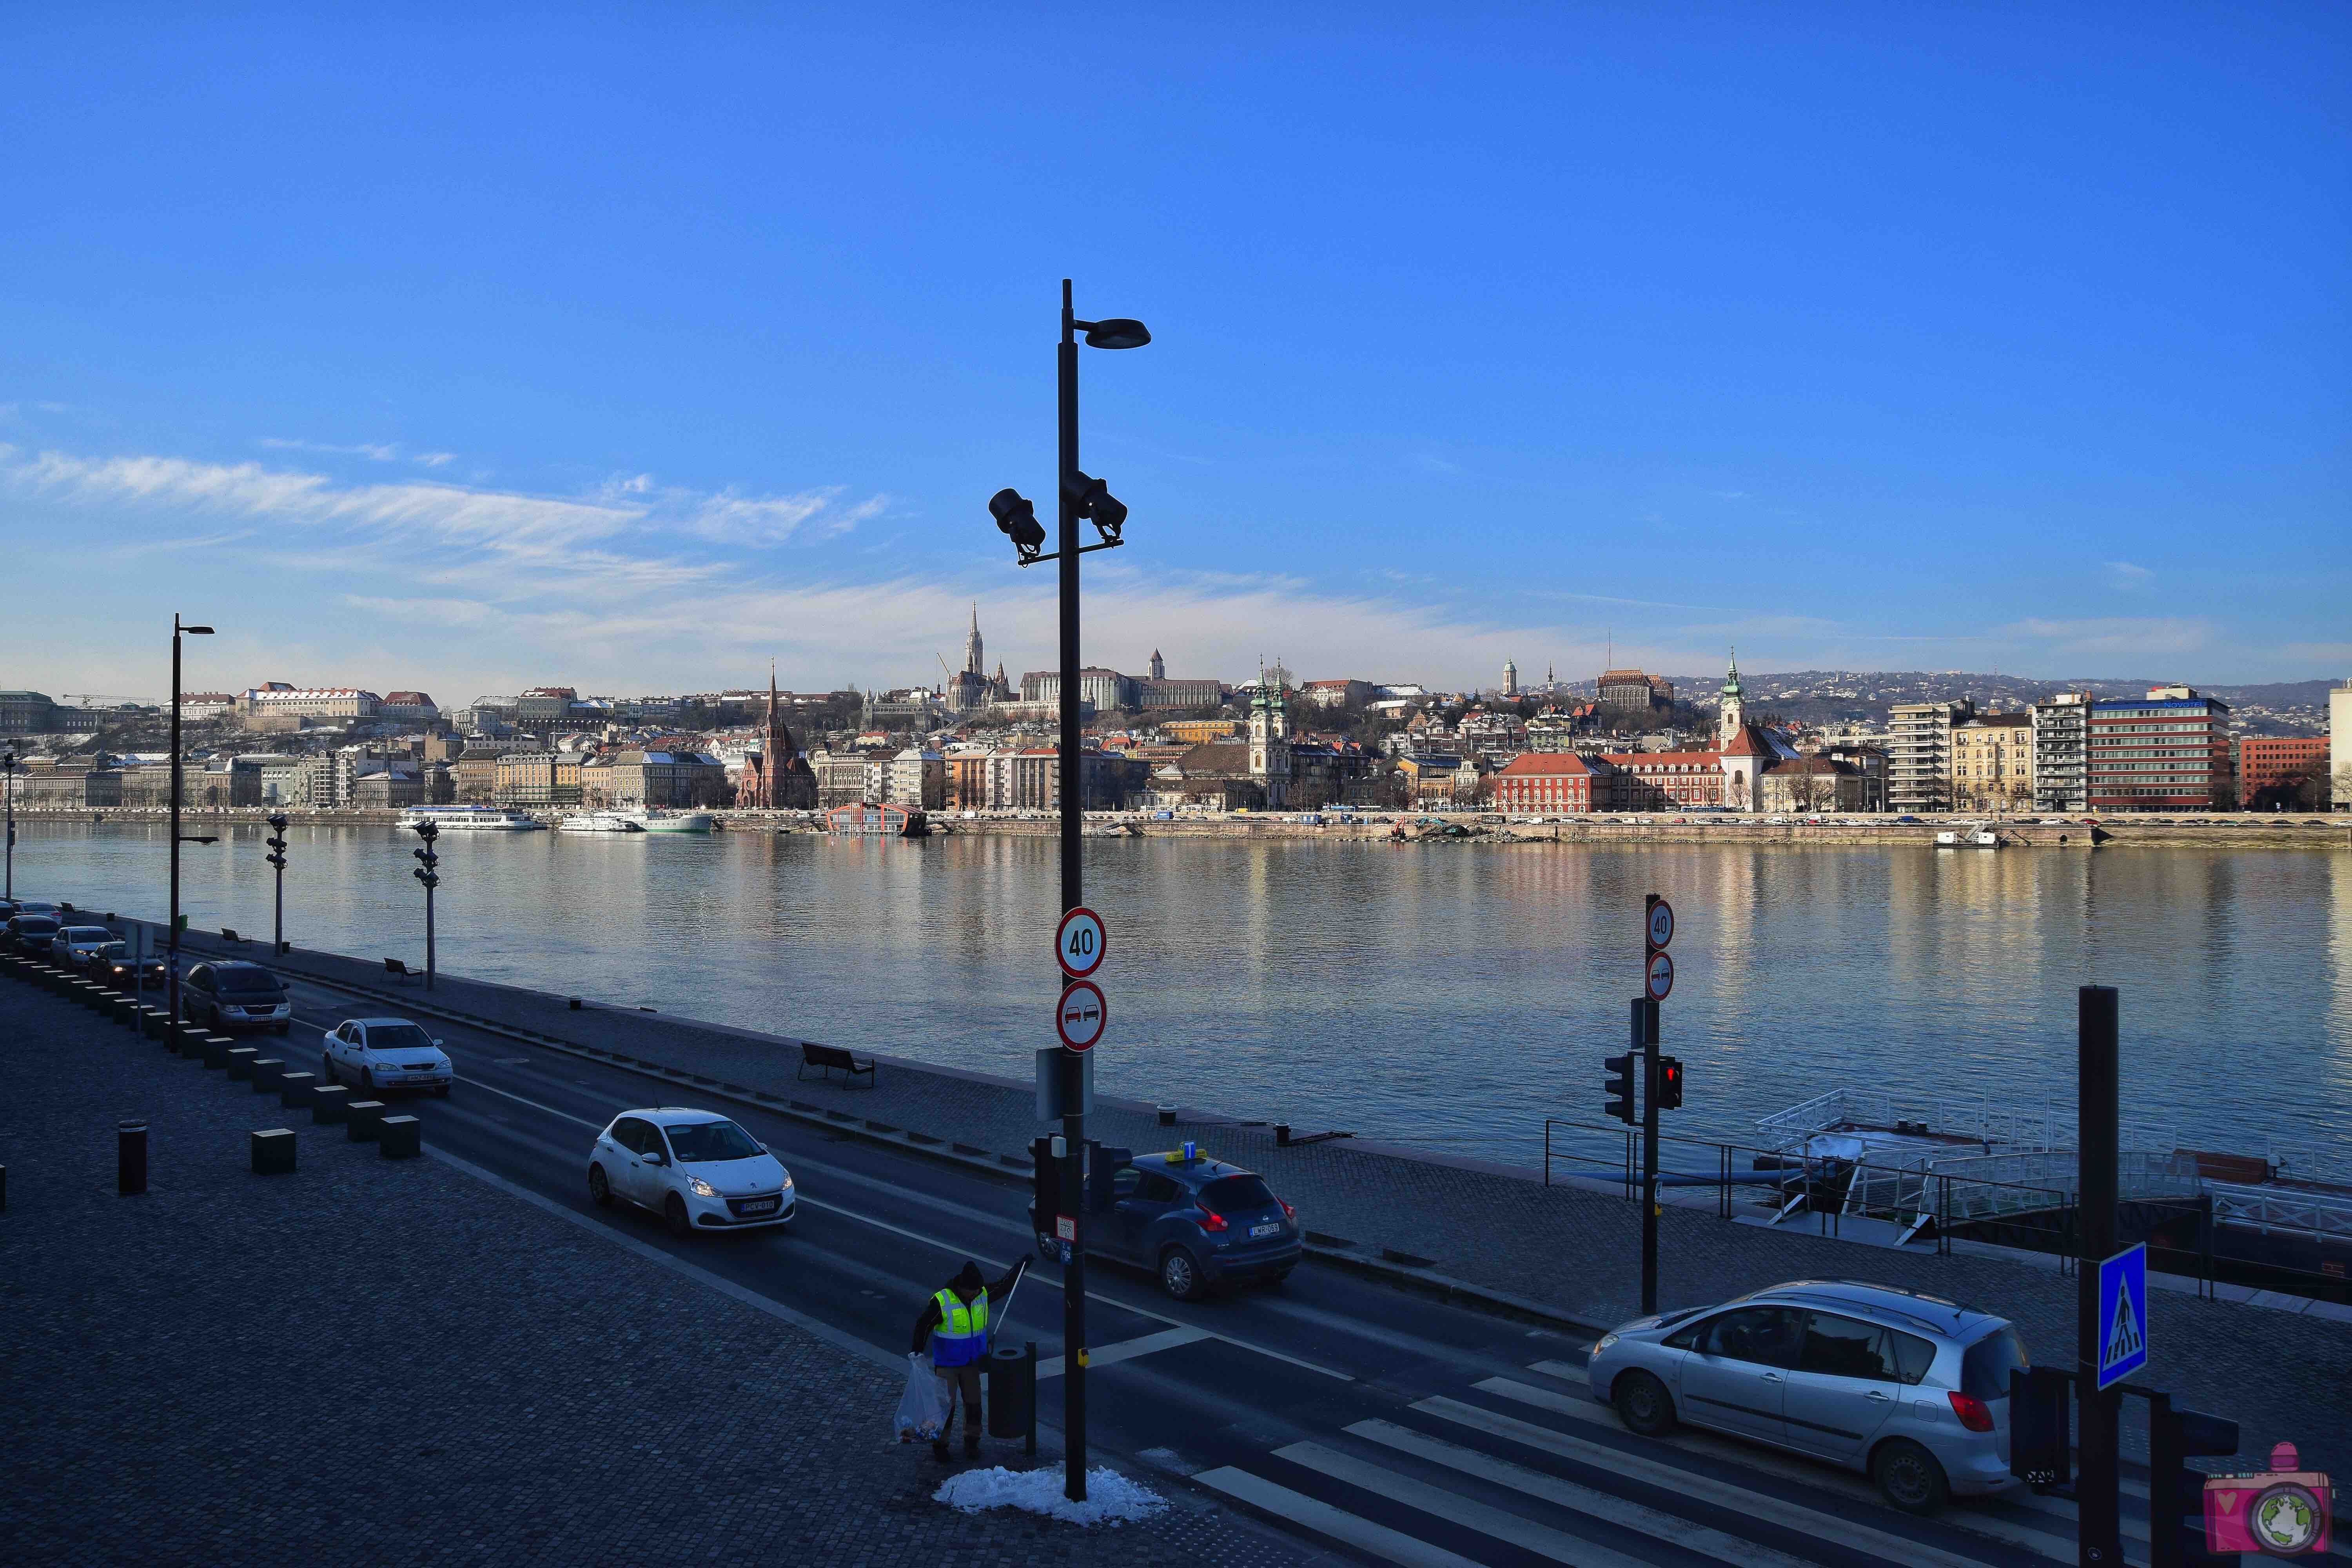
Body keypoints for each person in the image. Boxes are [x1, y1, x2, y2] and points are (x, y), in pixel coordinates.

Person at [910, 1256, 1025, 1462]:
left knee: (974, 1405)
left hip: (972, 1363)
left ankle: (972, 1442)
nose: (976, 1293)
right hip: (948, 1364)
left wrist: (1021, 1267)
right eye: (972, 1290)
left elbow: (1004, 1285)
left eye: (977, 1290)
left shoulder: (981, 1294)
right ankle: (940, 1445)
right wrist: (917, 1350)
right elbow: (924, 1324)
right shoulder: (943, 1300)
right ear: (962, 1287)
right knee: (946, 1407)